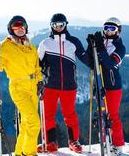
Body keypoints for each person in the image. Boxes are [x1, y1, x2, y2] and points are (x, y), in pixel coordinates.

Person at [0, 15, 43, 156]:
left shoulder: (30, 46)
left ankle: (20, 152)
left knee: (26, 124)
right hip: (18, 87)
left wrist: (40, 82)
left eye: (22, 26)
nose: (20, 29)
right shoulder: (5, 47)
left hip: (32, 87)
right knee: (34, 122)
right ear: (11, 29)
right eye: (16, 26)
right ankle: (29, 153)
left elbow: (36, 67)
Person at [37, 13, 91, 153]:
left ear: (66, 24)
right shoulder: (45, 44)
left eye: (61, 24)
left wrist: (93, 49)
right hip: (50, 85)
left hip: (69, 85)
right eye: (55, 25)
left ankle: (73, 141)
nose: (58, 27)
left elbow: (86, 59)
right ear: (51, 26)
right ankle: (51, 142)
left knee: (70, 114)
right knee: (48, 115)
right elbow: (37, 64)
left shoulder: (73, 41)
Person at [89, 17, 126, 155]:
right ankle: (105, 140)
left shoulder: (120, 47)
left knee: (113, 115)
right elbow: (90, 62)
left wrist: (99, 48)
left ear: (118, 31)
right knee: (101, 115)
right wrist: (90, 47)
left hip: (113, 86)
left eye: (112, 29)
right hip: (99, 83)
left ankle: (118, 145)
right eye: (106, 28)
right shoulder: (101, 43)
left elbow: (110, 64)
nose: (109, 32)